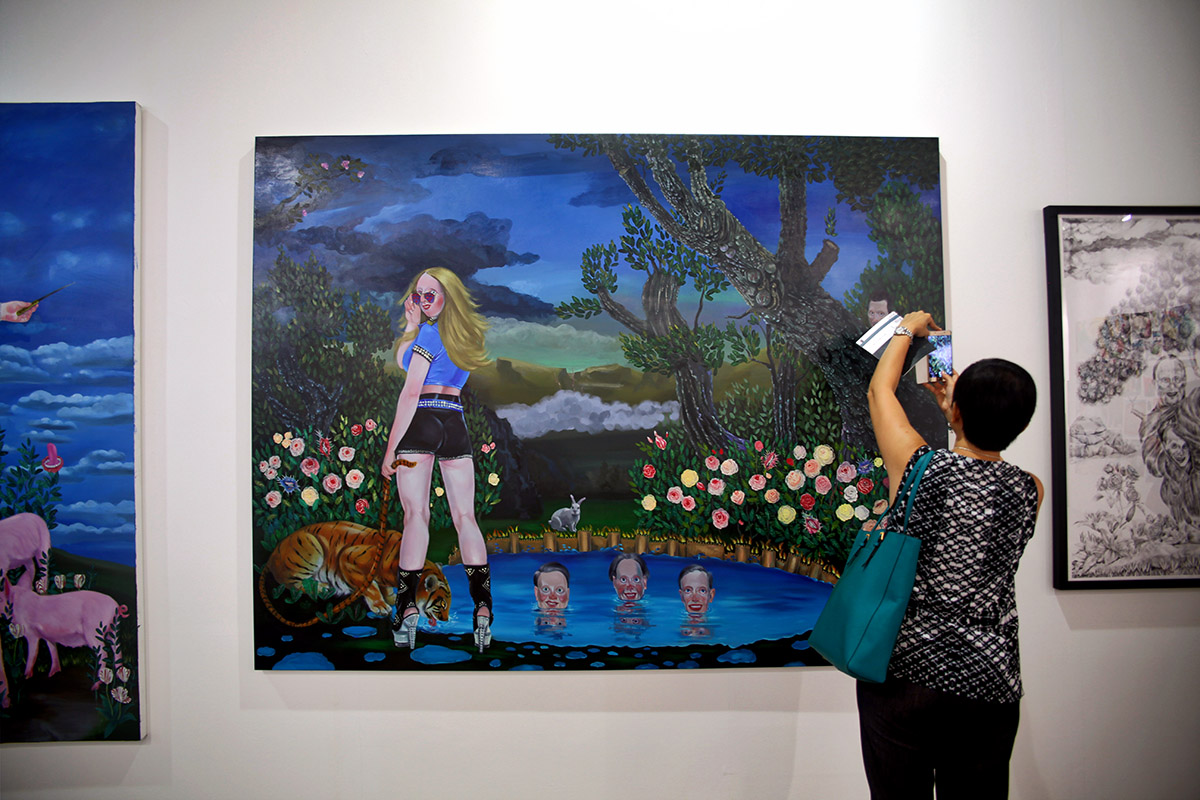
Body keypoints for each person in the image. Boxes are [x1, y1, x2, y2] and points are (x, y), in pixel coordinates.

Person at [858, 310, 1043, 799]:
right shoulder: (1030, 489)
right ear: (1023, 423)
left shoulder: (917, 467)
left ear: (957, 409)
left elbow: (880, 392)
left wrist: (908, 328)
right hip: (989, 680)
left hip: (905, 673)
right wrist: (959, 418)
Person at [381, 267, 493, 653]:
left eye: (430, 294)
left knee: (416, 516)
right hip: (454, 421)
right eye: (418, 294)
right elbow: (404, 360)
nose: (422, 301)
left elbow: (411, 391)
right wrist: (413, 326)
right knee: (466, 517)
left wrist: (392, 449)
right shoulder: (465, 335)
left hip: (423, 420)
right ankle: (483, 608)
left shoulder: (430, 334)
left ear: (448, 296)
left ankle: (406, 609)